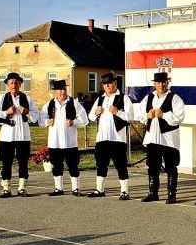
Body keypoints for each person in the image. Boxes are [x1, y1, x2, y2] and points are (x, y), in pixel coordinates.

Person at [137, 72, 185, 204]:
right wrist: (147, 115)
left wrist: (164, 115)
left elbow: (179, 118)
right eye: (158, 82)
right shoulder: (148, 98)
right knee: (152, 166)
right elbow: (140, 115)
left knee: (171, 166)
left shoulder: (175, 98)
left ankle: (171, 194)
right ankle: (153, 193)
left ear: (168, 83)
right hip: (152, 137)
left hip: (169, 139)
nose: (161, 85)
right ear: (154, 84)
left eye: (164, 82)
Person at [0, 72, 39, 198]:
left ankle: (22, 188)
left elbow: (35, 117)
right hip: (7, 136)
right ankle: (6, 188)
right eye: (11, 83)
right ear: (7, 85)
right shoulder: (2, 98)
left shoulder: (27, 99)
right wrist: (6, 112)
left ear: (20, 84)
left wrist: (27, 112)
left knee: (23, 162)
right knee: (6, 162)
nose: (14, 85)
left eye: (16, 83)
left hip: (23, 136)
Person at [87, 72, 134, 200]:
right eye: (105, 84)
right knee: (101, 164)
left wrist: (117, 112)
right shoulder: (100, 99)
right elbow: (90, 117)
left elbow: (130, 117)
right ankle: (99, 189)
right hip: (102, 138)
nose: (108, 86)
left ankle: (124, 191)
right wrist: (96, 113)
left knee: (120, 165)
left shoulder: (123, 98)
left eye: (110, 83)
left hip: (117, 139)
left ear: (115, 83)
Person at [38, 80, 89, 196]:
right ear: (55, 91)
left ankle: (76, 188)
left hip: (70, 142)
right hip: (54, 141)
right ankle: (58, 188)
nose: (63, 91)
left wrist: (73, 122)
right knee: (56, 165)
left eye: (64, 89)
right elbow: (41, 120)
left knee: (73, 165)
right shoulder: (49, 104)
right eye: (60, 89)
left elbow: (84, 120)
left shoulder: (74, 103)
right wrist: (47, 122)